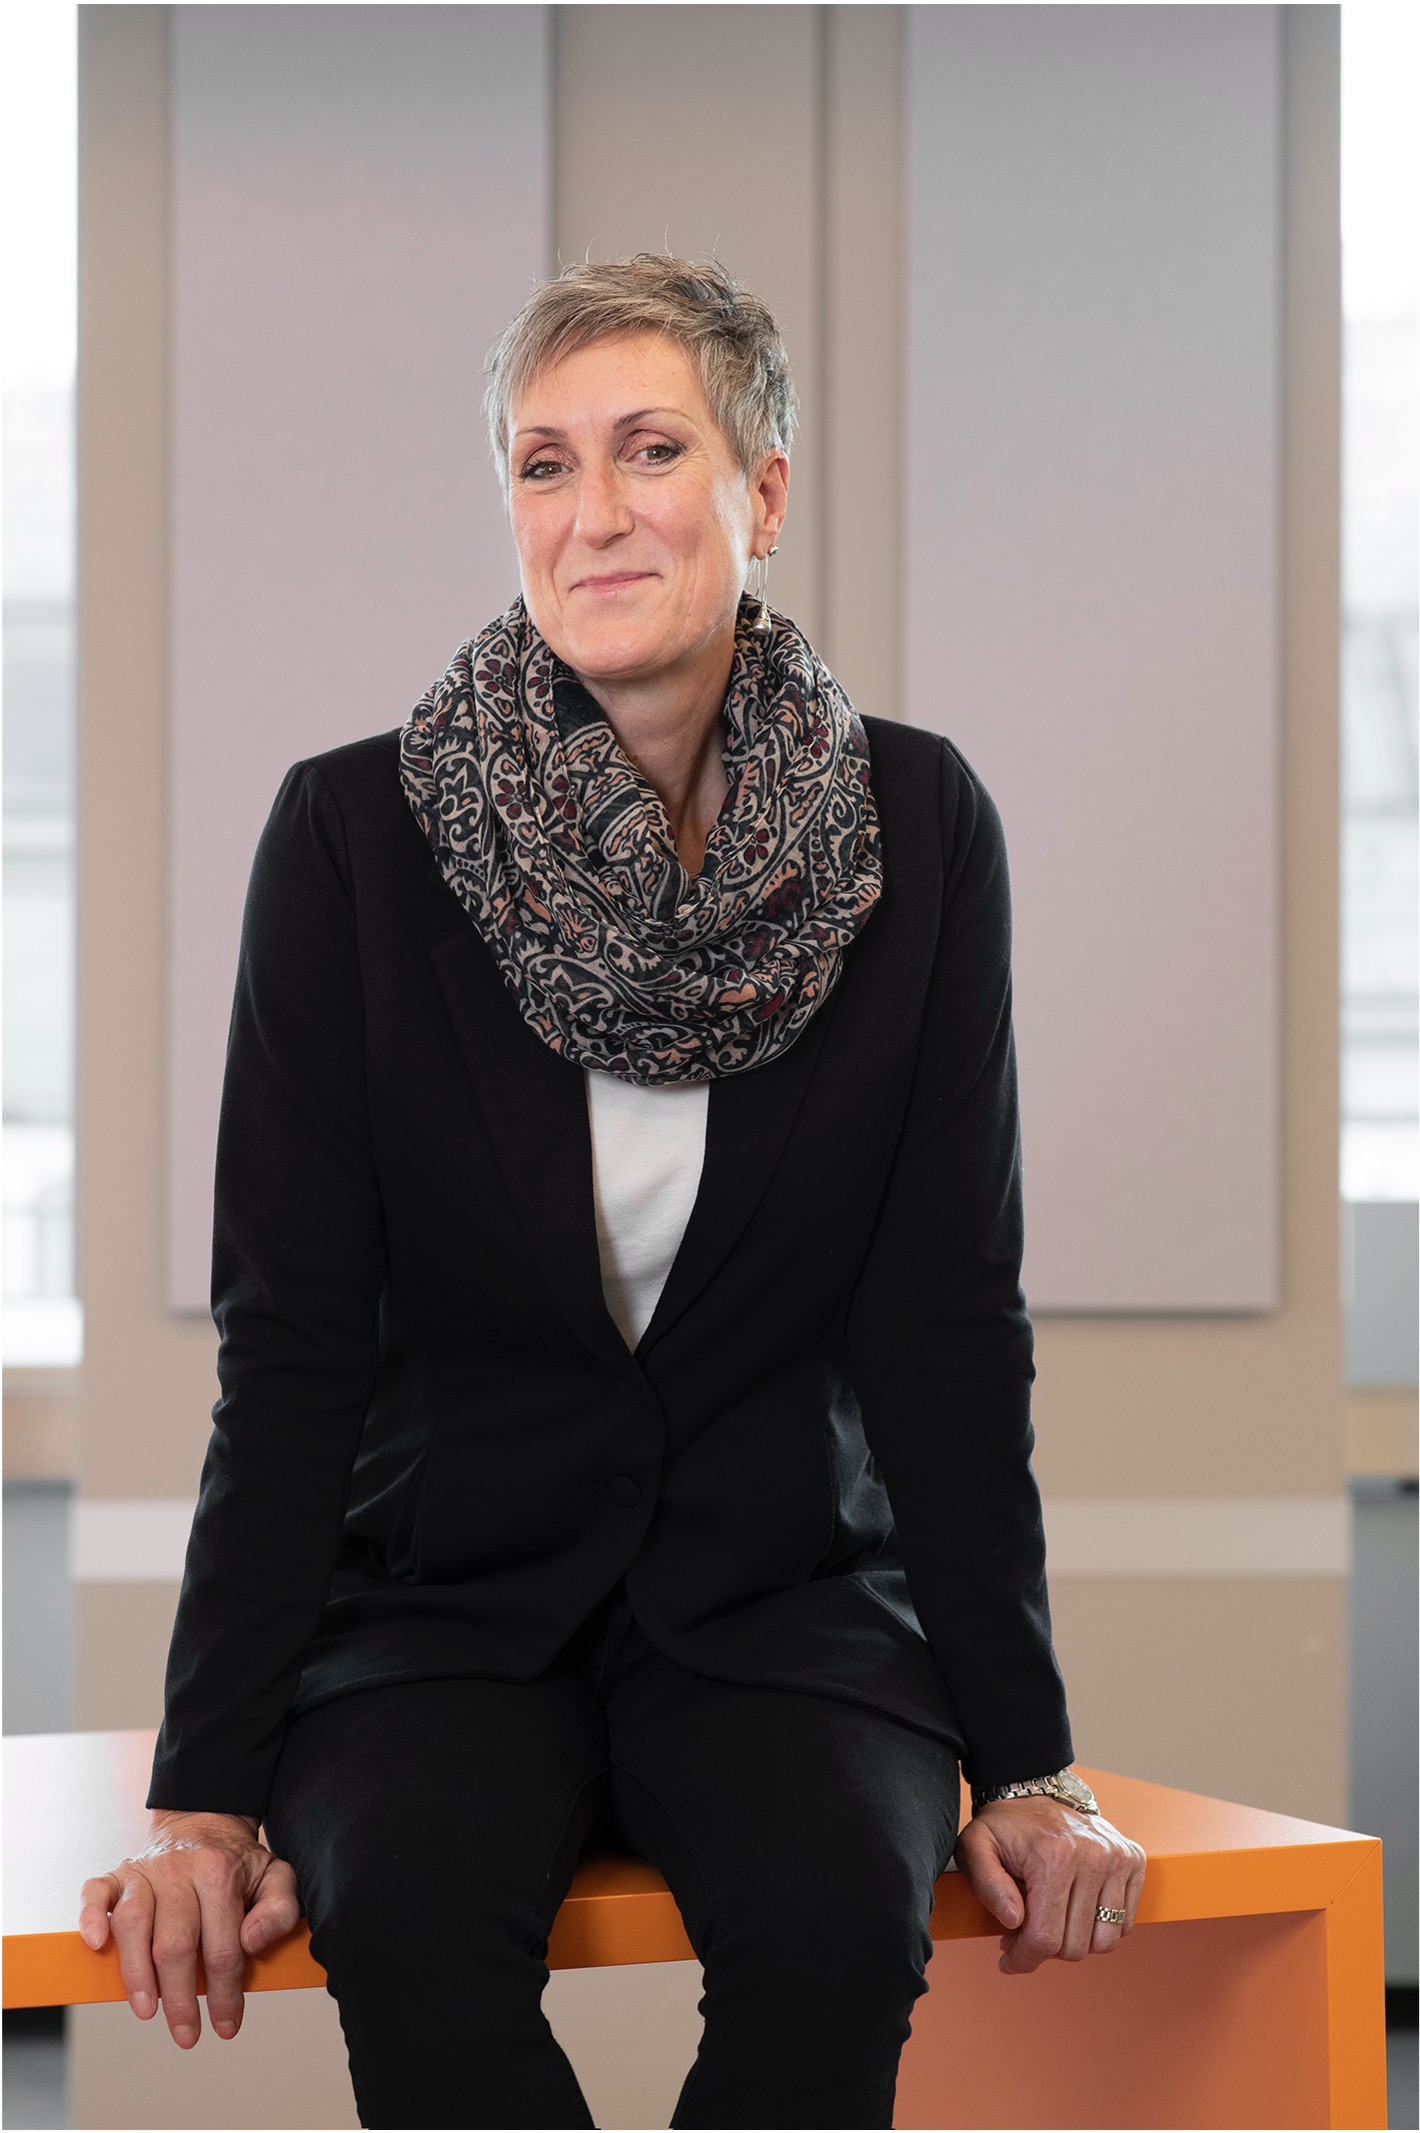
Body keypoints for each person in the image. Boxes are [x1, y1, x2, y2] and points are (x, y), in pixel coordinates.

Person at [79, 255, 1144, 2131]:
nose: (593, 513)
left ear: (765, 488)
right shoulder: (351, 841)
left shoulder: (921, 826)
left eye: (653, 450)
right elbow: (297, 1347)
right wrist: (205, 1789)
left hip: (783, 1600)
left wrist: (1037, 1758)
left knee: (837, 1921)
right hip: (440, 1609)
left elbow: (947, 1327)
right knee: (400, 1914)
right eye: (543, 463)